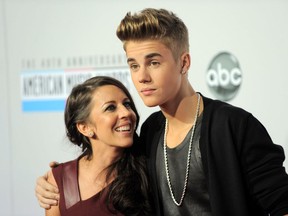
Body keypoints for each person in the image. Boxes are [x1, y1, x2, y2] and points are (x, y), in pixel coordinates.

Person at [35, 8, 288, 216]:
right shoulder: (150, 131)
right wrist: (54, 180)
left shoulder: (233, 125)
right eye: (134, 66)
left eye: (153, 63)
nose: (142, 77)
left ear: (184, 62)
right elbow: (102, 170)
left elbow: (281, 203)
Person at [42, 76, 152, 216]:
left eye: (127, 104)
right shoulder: (59, 180)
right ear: (84, 127)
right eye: (110, 108)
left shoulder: (149, 166)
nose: (126, 113)